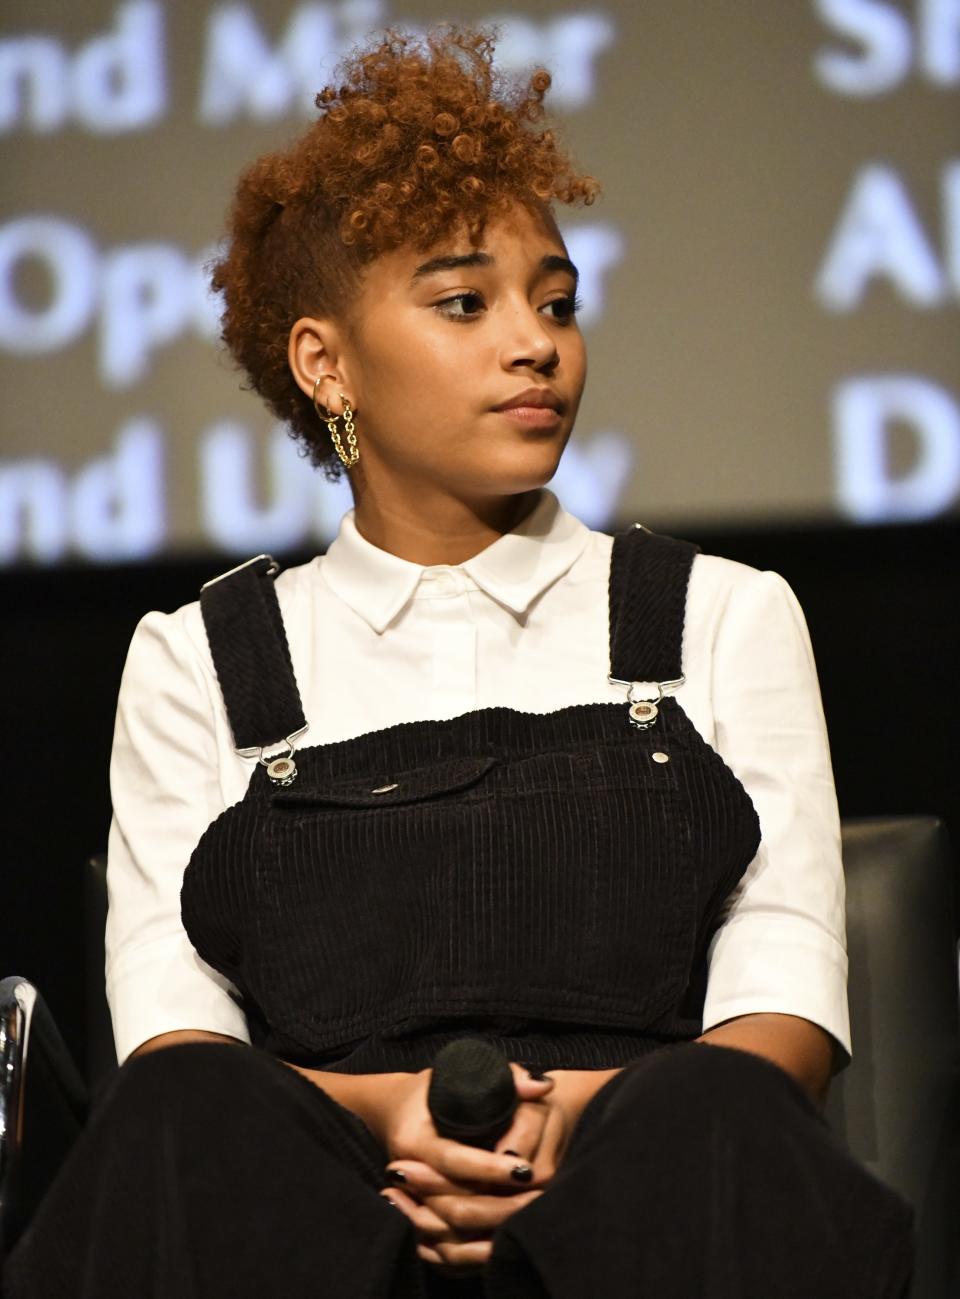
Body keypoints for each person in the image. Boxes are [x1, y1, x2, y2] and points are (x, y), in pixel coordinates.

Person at [4, 26, 912, 1299]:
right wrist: (398, 1119)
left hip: (648, 1192)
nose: (535, 344)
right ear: (326, 363)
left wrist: (571, 1120)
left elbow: (786, 1013)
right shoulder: (201, 658)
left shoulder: (721, 616)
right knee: (181, 1124)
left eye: (555, 302)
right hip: (315, 1211)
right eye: (463, 303)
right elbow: (175, 1047)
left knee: (720, 1116)